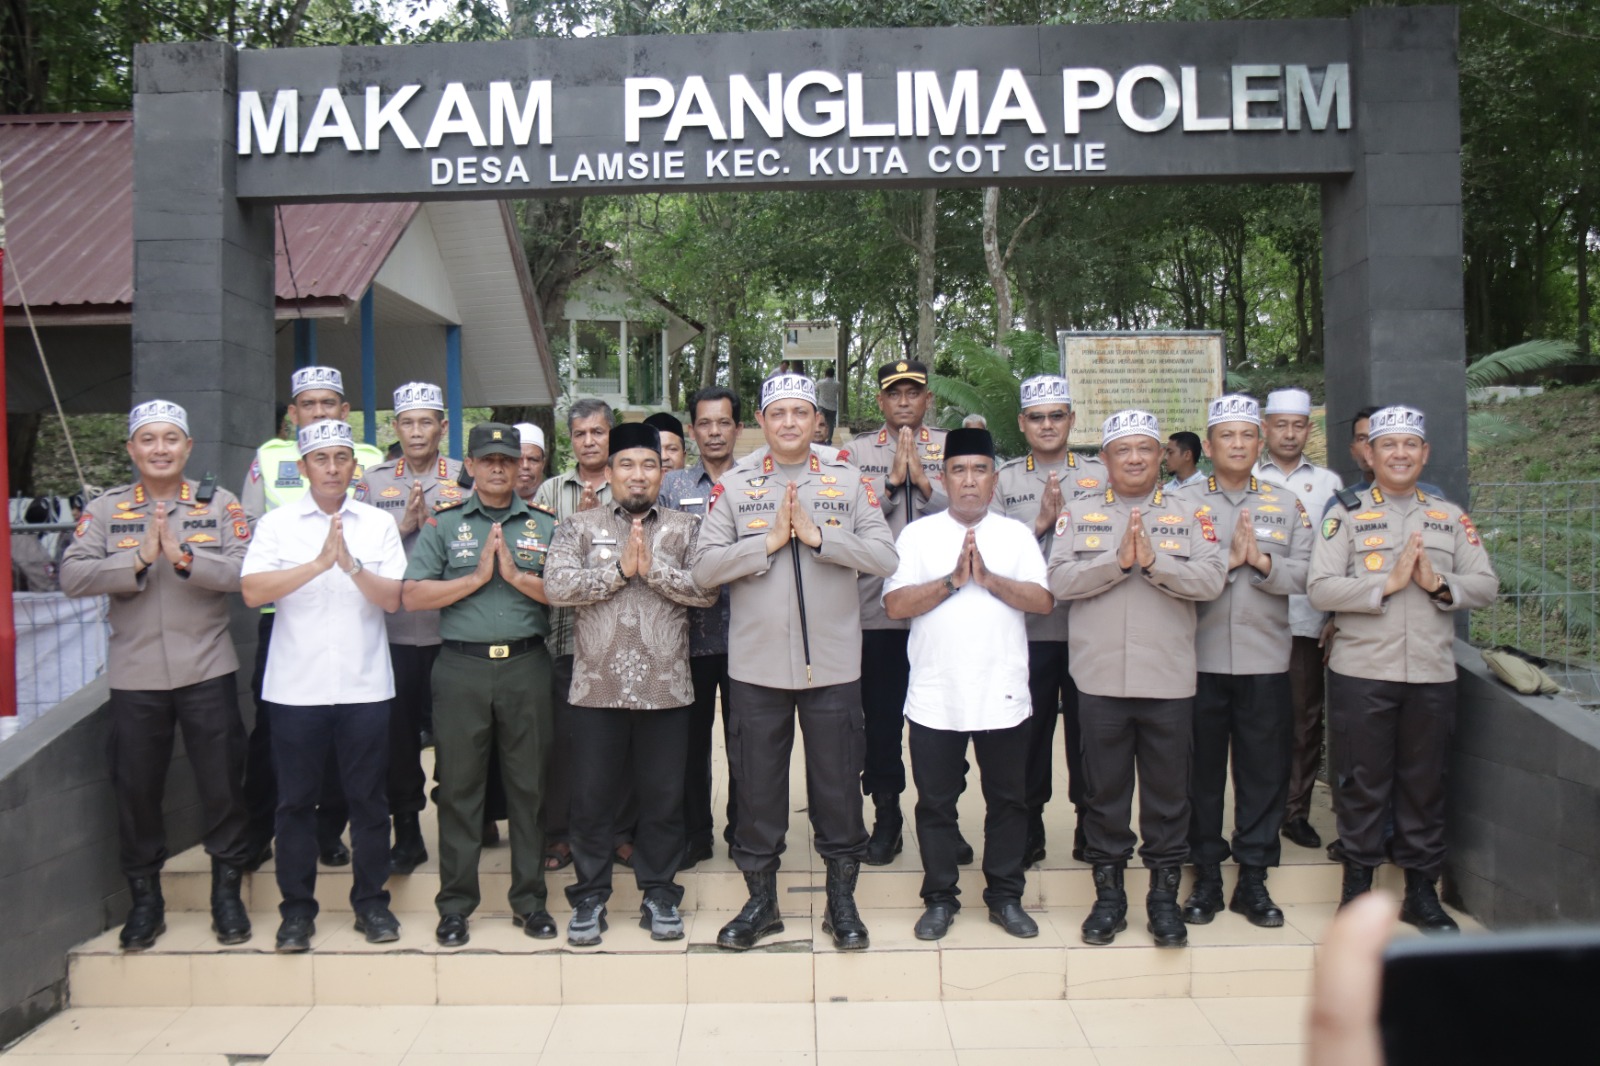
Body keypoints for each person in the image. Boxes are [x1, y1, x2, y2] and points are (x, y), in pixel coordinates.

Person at [692, 371, 898, 951]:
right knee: (757, 793)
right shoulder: (734, 487)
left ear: (816, 422)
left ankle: (841, 901)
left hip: (833, 668)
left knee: (837, 789)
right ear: (760, 422)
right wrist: (768, 544)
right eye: (776, 413)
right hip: (756, 670)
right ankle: (761, 904)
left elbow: (885, 555)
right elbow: (704, 570)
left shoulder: (849, 482)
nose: (788, 423)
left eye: (800, 413)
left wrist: (818, 537)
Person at [60, 400, 254, 951]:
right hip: (136, 673)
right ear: (132, 450)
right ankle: (145, 902)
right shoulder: (104, 510)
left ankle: (227, 895)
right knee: (136, 790)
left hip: (207, 665)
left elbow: (244, 571)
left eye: (172, 438)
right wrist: (139, 559)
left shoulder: (219, 504)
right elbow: (72, 575)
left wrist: (185, 556)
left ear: (188, 447)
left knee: (222, 786)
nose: (161, 448)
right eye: (149, 439)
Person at [1308, 405, 1498, 932]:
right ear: (1369, 453)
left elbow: (1485, 583)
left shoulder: (1448, 515)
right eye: (1388, 445)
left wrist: (1441, 585)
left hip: (1431, 675)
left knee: (1424, 785)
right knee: (1361, 783)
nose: (1399, 454)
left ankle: (1421, 893)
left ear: (1424, 454)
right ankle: (1358, 894)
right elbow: (1320, 587)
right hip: (1363, 671)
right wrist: (1384, 586)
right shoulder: (1344, 513)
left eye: (1410, 445)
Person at [1047, 409, 1226, 948]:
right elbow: (1057, 579)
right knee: (1104, 796)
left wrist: (1154, 565)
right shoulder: (1077, 514)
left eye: (1144, 450)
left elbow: (1212, 578)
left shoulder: (1193, 512)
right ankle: (1109, 900)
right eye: (1121, 450)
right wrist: (1117, 562)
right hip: (1099, 683)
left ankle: (1163, 902)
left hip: (1168, 682)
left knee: (1169, 799)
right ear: (1104, 459)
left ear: (1162, 457)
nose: (1133, 459)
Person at [543, 424, 718, 945]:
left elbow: (707, 590)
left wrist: (655, 571)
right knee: (592, 800)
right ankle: (590, 897)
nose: (637, 475)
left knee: (663, 799)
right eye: (627, 465)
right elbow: (556, 587)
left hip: (666, 688)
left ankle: (660, 893)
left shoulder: (689, 528)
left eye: (648, 464)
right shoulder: (577, 526)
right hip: (596, 690)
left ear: (661, 472)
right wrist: (619, 572)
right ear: (610, 471)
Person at [240, 419, 407, 952]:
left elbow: (392, 598)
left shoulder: (376, 525)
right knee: (294, 803)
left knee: (368, 801)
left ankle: (372, 905)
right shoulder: (278, 525)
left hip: (364, 687)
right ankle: (296, 913)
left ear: (353, 466)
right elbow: (251, 591)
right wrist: (317, 564)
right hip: (296, 689)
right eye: (321, 459)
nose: (333, 468)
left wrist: (351, 565)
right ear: (305, 466)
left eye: (341, 458)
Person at [883, 428, 1053, 941]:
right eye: (959, 470)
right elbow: (893, 606)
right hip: (936, 696)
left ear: (994, 479)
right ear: (943, 478)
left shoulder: (1016, 535)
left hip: (1002, 695)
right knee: (935, 803)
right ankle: (940, 898)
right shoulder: (918, 536)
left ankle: (1004, 895)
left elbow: (1043, 603)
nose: (970, 480)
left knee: (1009, 801)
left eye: (980, 469)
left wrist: (989, 579)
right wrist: (952, 581)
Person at [403, 422, 560, 946]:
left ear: (522, 468)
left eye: (508, 460)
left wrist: (516, 577)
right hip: (461, 669)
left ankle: (530, 902)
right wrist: (472, 580)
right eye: (487, 459)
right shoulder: (445, 526)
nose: (498, 468)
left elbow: (566, 593)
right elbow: (413, 595)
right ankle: (455, 906)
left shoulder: (544, 525)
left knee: (530, 788)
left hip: (526, 666)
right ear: (468, 466)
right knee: (459, 790)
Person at [240, 366, 384, 870]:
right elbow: (248, 535)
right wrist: (307, 562)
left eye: (329, 404)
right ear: (293, 414)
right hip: (286, 621)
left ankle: (330, 832)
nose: (319, 412)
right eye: (309, 404)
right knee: (276, 739)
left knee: (352, 751)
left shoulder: (367, 459)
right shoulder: (269, 458)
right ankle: (261, 832)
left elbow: (376, 537)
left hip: (355, 619)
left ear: (345, 413)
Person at [1182, 395, 1312, 930]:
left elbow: (1310, 574)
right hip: (1197, 658)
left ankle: (1253, 877)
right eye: (1226, 436)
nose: (1237, 445)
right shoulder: (1181, 501)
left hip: (1265, 658)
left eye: (1246, 436)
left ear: (1259, 444)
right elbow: (1165, 569)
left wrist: (1260, 563)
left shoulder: (1285, 503)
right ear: (1208, 446)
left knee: (1263, 773)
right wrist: (1222, 564)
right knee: (1200, 775)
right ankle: (1207, 875)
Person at [994, 374, 1107, 867]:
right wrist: (1039, 523)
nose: (1046, 425)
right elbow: (992, 550)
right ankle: (1030, 827)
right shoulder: (1004, 480)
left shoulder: (1101, 475)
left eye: (1056, 416)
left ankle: (1091, 824)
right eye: (1037, 417)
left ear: (1071, 420)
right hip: (1030, 632)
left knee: (1091, 733)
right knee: (1030, 733)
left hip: (1088, 627)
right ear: (1022, 424)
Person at [358, 382, 463, 874]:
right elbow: (357, 557)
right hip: (394, 632)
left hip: (452, 630)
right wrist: (401, 527)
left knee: (457, 737)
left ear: (443, 426)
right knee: (398, 739)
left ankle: (459, 827)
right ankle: (407, 831)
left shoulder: (464, 478)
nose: (417, 431)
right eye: (408, 422)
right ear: (394, 429)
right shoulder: (373, 483)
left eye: (427, 422)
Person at [849, 359, 949, 865]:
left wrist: (927, 486)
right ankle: (886, 815)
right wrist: (891, 486)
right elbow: (844, 521)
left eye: (914, 392)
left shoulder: (951, 449)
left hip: (944, 610)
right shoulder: (855, 454)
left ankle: (942, 817)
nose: (905, 401)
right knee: (883, 722)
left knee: (947, 719)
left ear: (927, 399)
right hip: (877, 613)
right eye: (895, 393)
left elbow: (979, 513)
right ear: (881, 402)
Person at [1252, 387, 1343, 852]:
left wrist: (1333, 615)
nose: (1289, 433)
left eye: (1298, 425)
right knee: (1255, 727)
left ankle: (1295, 812)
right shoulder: (1244, 474)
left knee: (1305, 723)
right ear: (1265, 428)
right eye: (1280, 424)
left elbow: (1335, 556)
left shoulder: (1328, 485)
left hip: (1303, 622)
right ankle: (1255, 813)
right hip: (1249, 622)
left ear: (1309, 429)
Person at [660, 386, 742, 867]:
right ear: (692, 431)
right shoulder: (672, 487)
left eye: (723, 422)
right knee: (688, 746)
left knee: (744, 743)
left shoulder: (754, 481)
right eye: (705, 423)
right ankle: (694, 835)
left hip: (745, 635)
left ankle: (742, 830)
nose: (714, 431)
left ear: (736, 428)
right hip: (686, 638)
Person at [533, 398, 615, 870]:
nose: (589, 441)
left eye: (598, 432)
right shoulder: (550, 489)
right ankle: (559, 835)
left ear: (610, 435)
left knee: (610, 747)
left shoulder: (627, 481)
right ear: (571, 439)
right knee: (561, 744)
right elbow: (542, 557)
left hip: (611, 640)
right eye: (580, 434)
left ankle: (617, 834)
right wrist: (576, 528)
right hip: (559, 639)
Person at [514, 422, 548, 502]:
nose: (525, 466)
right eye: (517, 459)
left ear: (543, 464)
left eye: (533, 459)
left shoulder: (555, 501)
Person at [816, 365, 842, 439]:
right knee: (831, 424)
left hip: (822, 406)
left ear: (825, 374)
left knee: (819, 422)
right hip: (832, 407)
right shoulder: (837, 384)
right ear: (833, 374)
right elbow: (839, 391)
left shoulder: (821, 382)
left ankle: (819, 438)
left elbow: (815, 389)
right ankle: (829, 439)